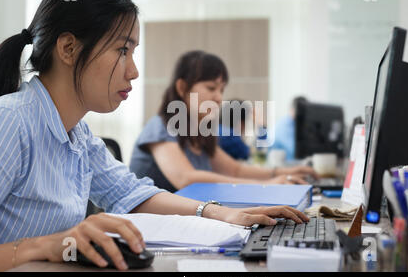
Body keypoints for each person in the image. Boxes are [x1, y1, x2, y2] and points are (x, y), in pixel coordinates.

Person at [0, 0, 309, 272]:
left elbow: (131, 193)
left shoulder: (79, 136)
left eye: (133, 53)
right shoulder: (10, 122)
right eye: (122, 50)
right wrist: (42, 246)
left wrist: (222, 214)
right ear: (68, 48)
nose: (133, 71)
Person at [129, 51, 318, 193]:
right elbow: (185, 179)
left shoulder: (199, 132)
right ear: (182, 87)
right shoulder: (160, 127)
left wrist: (284, 173)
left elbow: (235, 170)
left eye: (222, 90)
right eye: (211, 88)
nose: (219, 97)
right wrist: (266, 184)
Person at [271, 96, 307, 160]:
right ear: (292, 109)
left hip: (291, 165)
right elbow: (296, 151)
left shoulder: (298, 124)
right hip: (280, 166)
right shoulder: (284, 126)